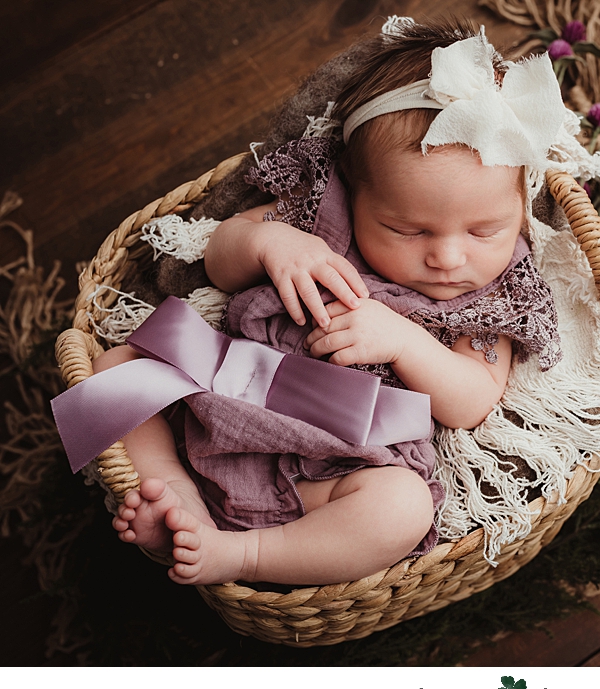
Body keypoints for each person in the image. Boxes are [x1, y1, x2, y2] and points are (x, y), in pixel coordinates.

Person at [88, 19, 566, 587]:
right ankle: (176, 494)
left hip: (337, 462)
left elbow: (473, 399)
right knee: (117, 366)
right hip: (225, 391)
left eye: (485, 230)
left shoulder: (495, 292)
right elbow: (219, 259)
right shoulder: (319, 210)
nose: (447, 257)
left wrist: (405, 341)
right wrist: (270, 243)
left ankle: (243, 554)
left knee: (403, 507)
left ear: (520, 210)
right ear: (355, 190)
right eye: (406, 229)